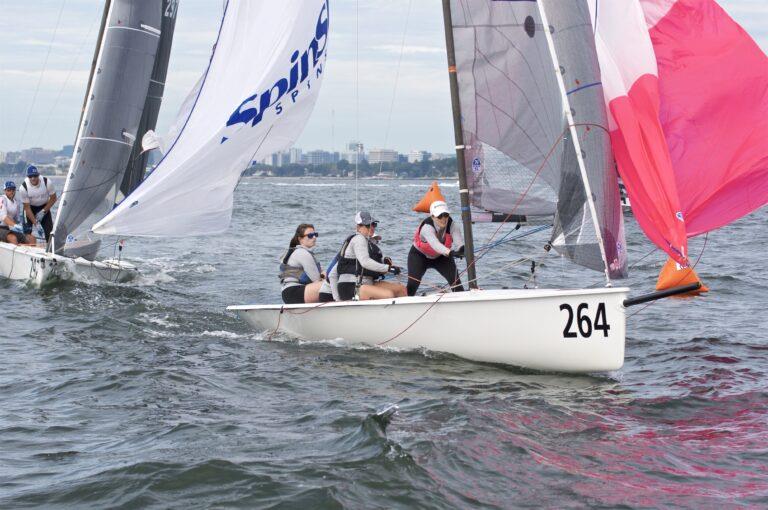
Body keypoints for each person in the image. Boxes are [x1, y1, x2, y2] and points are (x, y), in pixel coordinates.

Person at [336, 211, 407, 301]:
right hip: (351, 287)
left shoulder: (368, 242)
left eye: (373, 224)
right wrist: (388, 268)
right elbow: (365, 262)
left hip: (366, 283)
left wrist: (390, 268)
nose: (371, 228)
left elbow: (373, 267)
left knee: (401, 289)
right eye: (368, 225)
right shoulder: (359, 239)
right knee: (388, 295)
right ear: (358, 227)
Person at [407, 200, 465, 296]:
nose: (443, 219)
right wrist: (451, 253)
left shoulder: (453, 225)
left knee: (456, 284)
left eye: (446, 215)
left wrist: (462, 250)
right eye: (439, 216)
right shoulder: (427, 227)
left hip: (442, 257)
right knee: (413, 284)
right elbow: (435, 244)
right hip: (419, 256)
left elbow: (459, 241)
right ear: (433, 216)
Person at [279, 223, 325, 304]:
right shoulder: (302, 253)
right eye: (310, 235)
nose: (314, 237)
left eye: (315, 234)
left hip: (288, 293)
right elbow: (316, 280)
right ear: (300, 239)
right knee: (331, 285)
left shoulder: (301, 252)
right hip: (294, 292)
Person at [18, 165, 57, 243]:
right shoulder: (23, 188)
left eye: (35, 176)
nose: (33, 178)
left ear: (38, 175)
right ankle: (26, 249)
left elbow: (53, 198)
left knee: (49, 231)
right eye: (30, 176)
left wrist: (43, 211)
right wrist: (36, 224)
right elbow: (27, 208)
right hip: (29, 208)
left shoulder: (47, 182)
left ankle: (50, 249)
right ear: (28, 177)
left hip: (44, 207)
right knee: (27, 231)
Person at [0, 181, 30, 245]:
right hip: (1, 227)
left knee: (29, 239)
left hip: (9, 228)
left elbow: (17, 219)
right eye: (9, 190)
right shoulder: (2, 199)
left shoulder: (16, 202)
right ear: (5, 191)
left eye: (13, 190)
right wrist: (15, 226)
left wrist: (24, 226)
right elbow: (3, 217)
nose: (11, 192)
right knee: (13, 238)